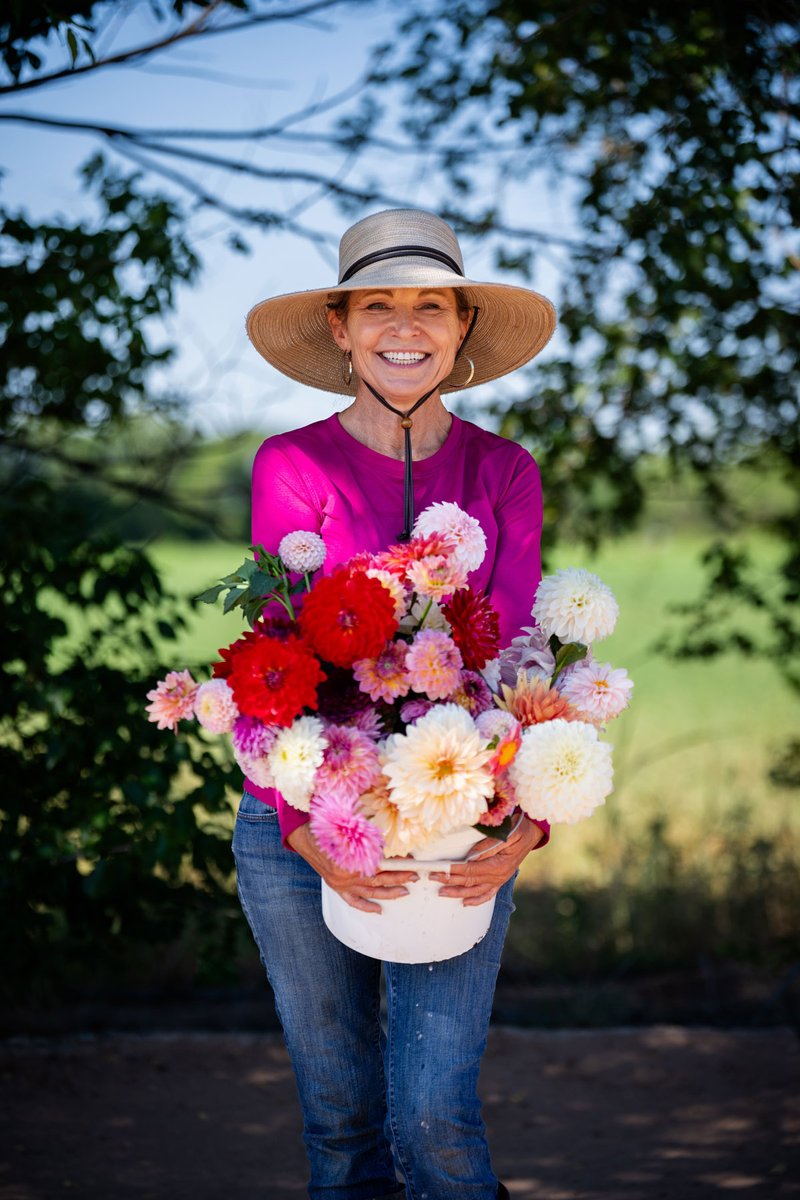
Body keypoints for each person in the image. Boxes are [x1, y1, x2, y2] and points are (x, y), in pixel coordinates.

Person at [232, 208, 556, 1200]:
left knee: (435, 1120)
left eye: (429, 304)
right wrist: (298, 826)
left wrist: (528, 820)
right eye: (378, 303)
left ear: (460, 326)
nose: (403, 325)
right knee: (341, 1127)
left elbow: (517, 663)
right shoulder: (291, 466)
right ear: (340, 326)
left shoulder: (503, 472)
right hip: (301, 830)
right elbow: (276, 657)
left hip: (458, 818)